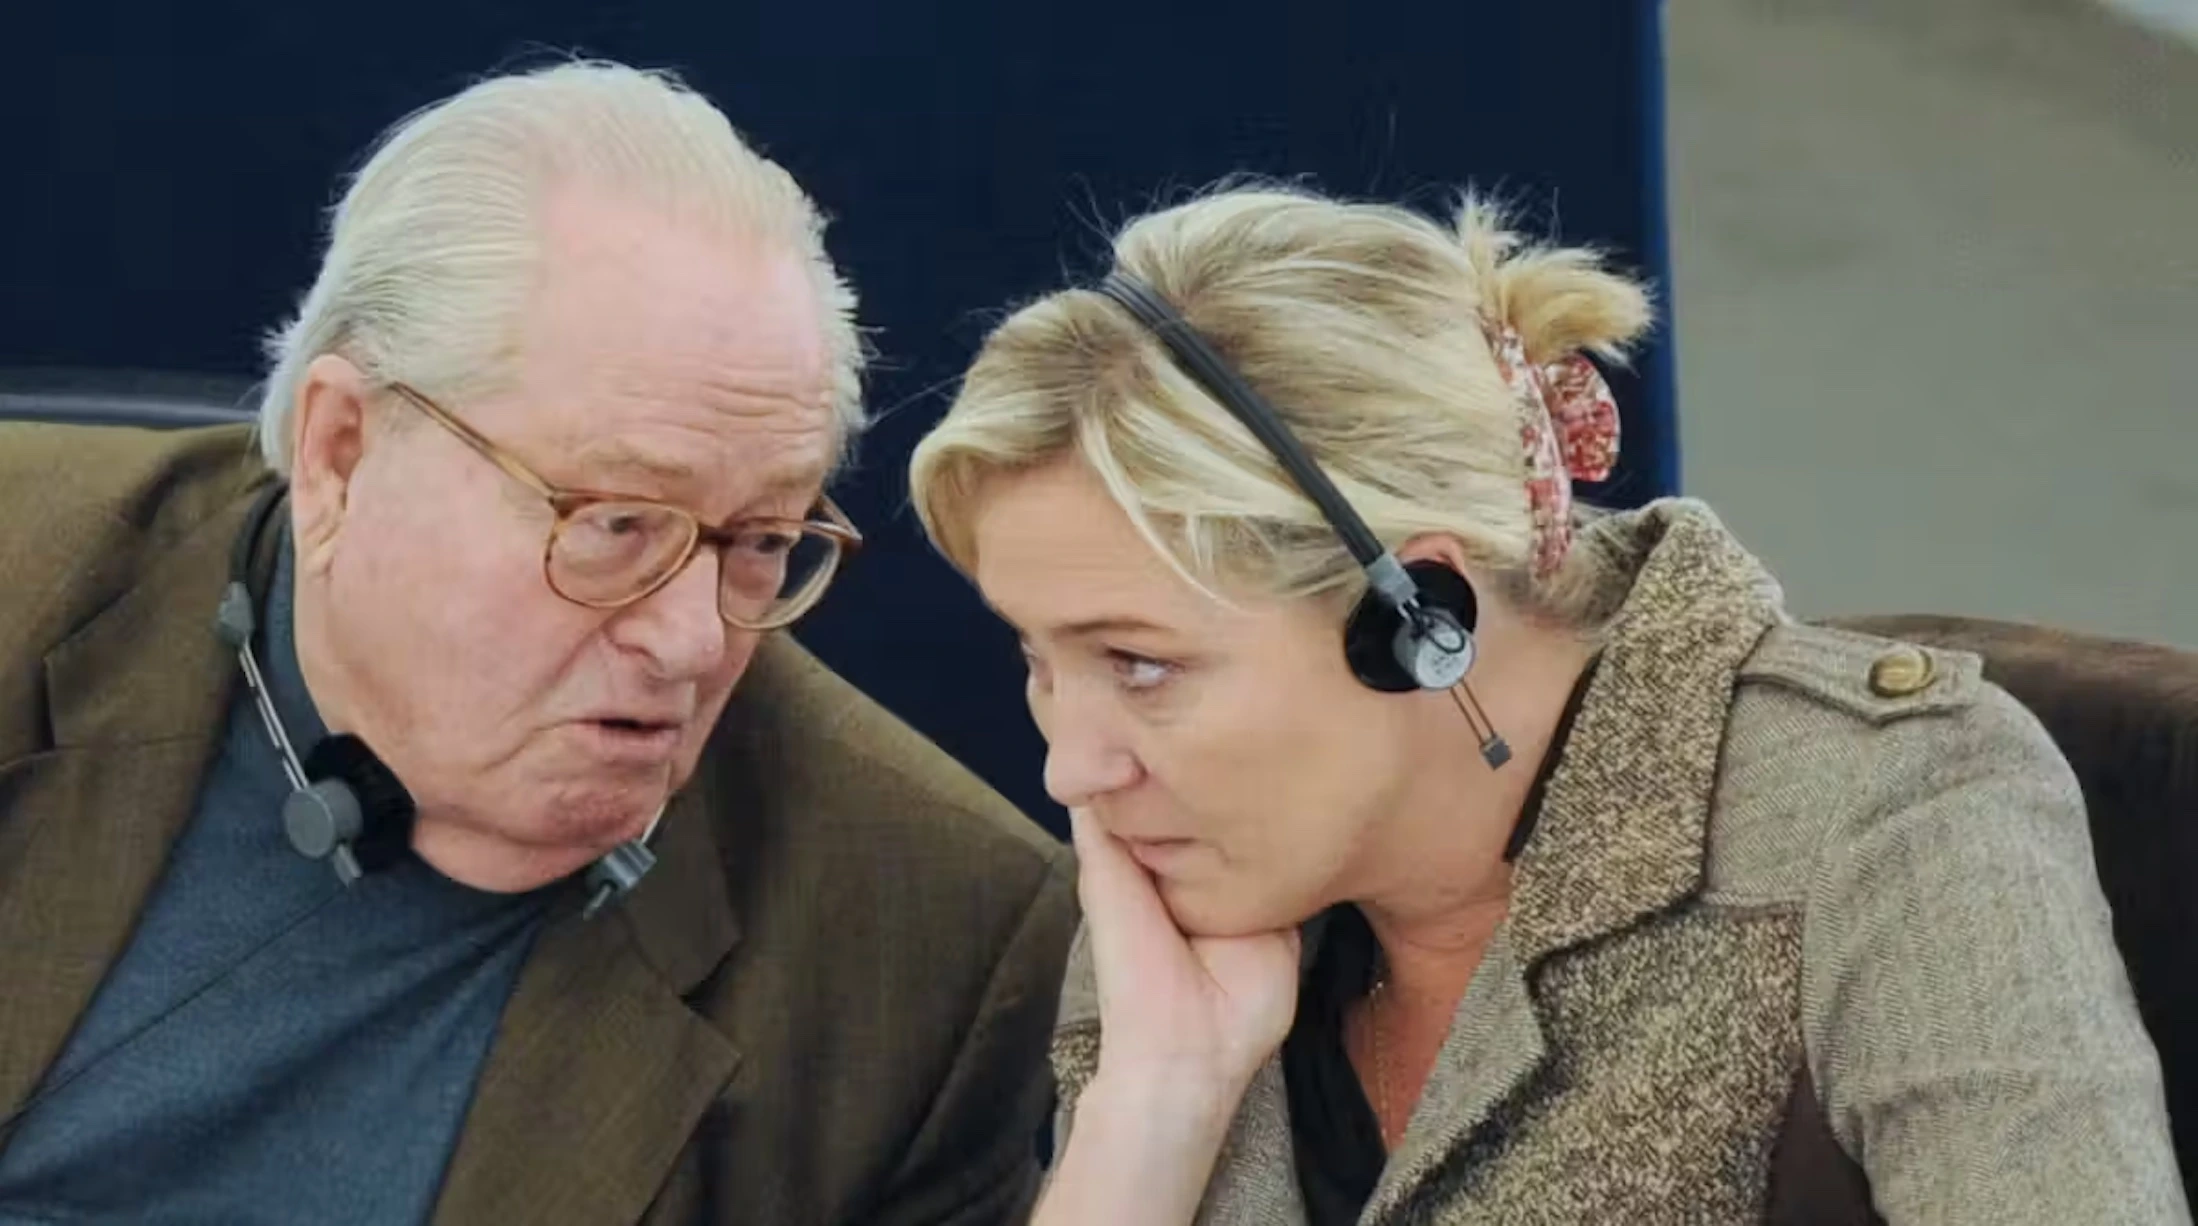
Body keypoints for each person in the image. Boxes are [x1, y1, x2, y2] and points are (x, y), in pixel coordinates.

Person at [905, 182, 2191, 1223]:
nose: (1072, 767)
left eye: (1138, 665)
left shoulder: (1882, 818)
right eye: (1037, 660)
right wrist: (1152, 1107)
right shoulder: (1181, 903)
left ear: (1416, 619)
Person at [0, 61, 1075, 1225]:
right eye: (613, 524)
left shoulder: (926, 943)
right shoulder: (28, 572)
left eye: (758, 541)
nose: (689, 640)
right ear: (339, 455)